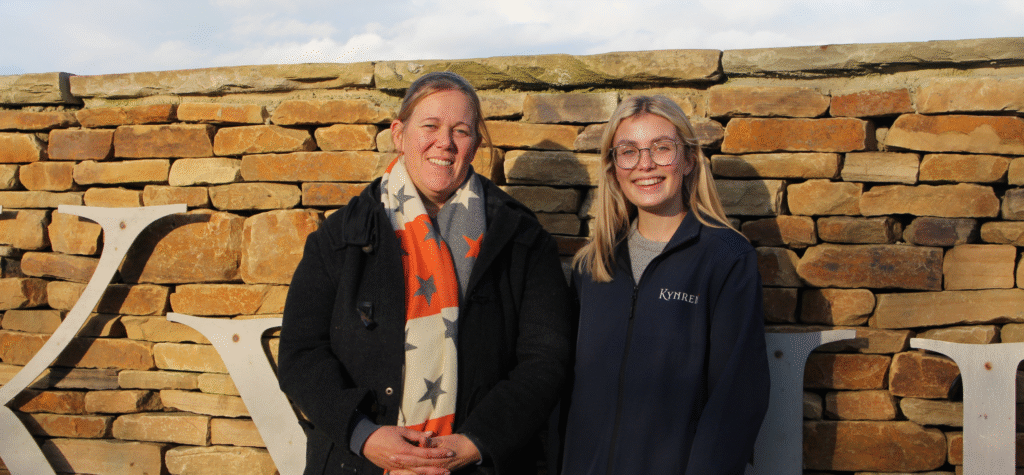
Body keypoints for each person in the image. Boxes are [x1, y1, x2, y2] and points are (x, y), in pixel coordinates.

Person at [279, 71, 573, 475]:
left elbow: (545, 360)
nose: (445, 142)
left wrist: (475, 442)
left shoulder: (521, 238)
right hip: (359, 463)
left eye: (461, 130)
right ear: (399, 133)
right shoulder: (341, 236)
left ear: (475, 144)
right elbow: (301, 353)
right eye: (430, 126)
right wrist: (364, 434)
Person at [560, 95, 770, 475]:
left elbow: (736, 399)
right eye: (628, 151)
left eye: (661, 148)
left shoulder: (726, 258)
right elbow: (569, 392)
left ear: (689, 159)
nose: (645, 164)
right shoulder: (593, 266)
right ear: (613, 168)